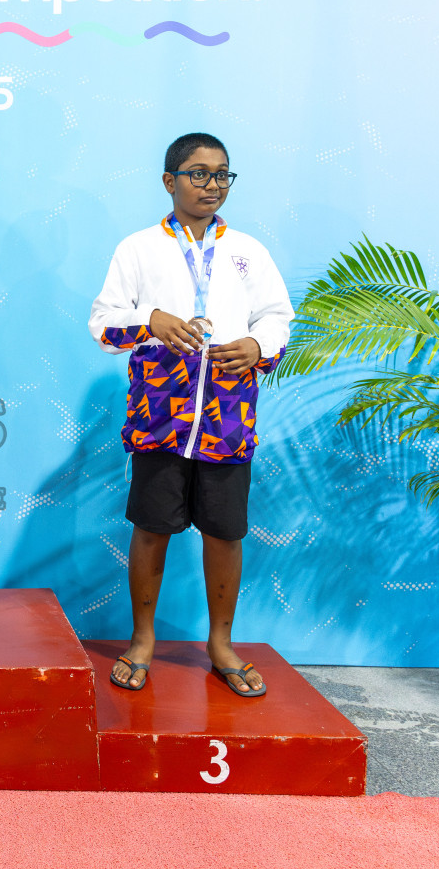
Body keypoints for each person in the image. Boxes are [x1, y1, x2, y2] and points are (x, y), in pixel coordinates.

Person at [87, 132, 293, 696]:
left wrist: (257, 346)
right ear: (169, 180)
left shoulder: (249, 251)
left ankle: (221, 643)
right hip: (161, 420)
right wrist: (151, 320)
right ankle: (143, 640)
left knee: (225, 534)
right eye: (198, 173)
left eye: (222, 174)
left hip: (228, 421)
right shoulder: (138, 249)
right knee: (152, 529)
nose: (211, 184)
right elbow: (103, 323)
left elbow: (278, 317)